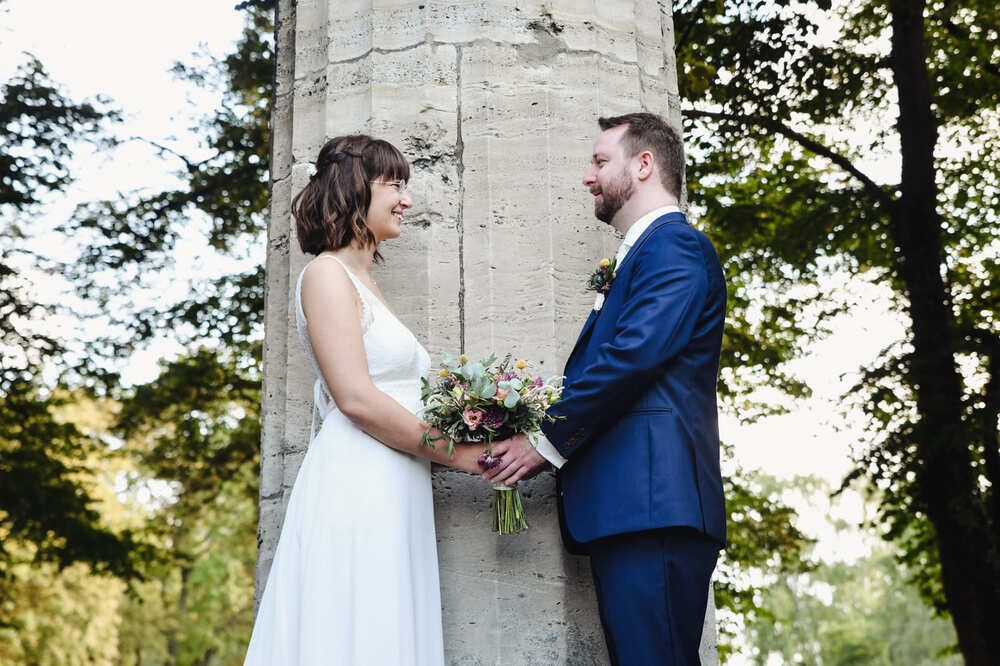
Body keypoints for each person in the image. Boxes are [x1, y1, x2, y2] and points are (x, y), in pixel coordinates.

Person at [484, 112, 727, 665]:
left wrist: (543, 442)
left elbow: (631, 357)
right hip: (633, 507)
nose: (588, 177)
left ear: (644, 165)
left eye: (599, 161)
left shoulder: (675, 248)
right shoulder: (643, 254)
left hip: (653, 506)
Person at [244, 135, 482, 666]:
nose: (407, 200)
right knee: (357, 628)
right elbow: (354, 397)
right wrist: (458, 454)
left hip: (394, 478)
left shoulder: (363, 279)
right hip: (360, 479)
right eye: (394, 185)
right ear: (355, 189)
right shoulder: (326, 274)